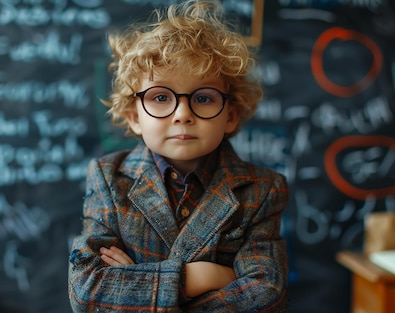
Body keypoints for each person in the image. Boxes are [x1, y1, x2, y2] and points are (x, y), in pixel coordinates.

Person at [68, 0, 288, 311]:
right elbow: (87, 291)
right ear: (134, 116)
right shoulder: (108, 177)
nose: (183, 114)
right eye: (160, 97)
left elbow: (266, 294)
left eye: (203, 98)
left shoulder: (263, 189)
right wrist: (202, 276)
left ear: (231, 115)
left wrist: (135, 284)